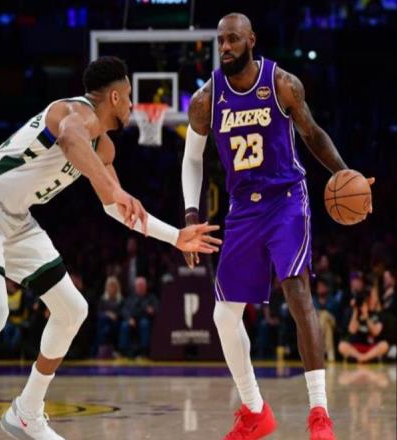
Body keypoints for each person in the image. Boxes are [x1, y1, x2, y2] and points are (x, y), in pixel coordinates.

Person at [0, 56, 221, 440]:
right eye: (129, 97)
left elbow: (117, 207)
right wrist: (114, 188)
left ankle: (26, 412)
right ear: (114, 97)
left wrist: (175, 236)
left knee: (72, 310)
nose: (133, 105)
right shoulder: (71, 113)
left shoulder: (104, 148)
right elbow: (69, 139)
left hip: (16, 219)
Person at [180, 12, 375, 440]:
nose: (225, 47)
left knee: (296, 290)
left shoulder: (282, 83)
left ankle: (319, 413)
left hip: (287, 199)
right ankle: (255, 411)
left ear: (251, 39)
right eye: (220, 40)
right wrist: (192, 214)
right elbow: (192, 159)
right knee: (223, 315)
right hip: (242, 209)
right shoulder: (206, 99)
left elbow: (312, 133)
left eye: (233, 39)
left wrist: (346, 173)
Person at [338, 290, 389, 363]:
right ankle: (361, 357)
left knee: (384, 345)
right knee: (342, 345)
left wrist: (366, 317)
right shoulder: (353, 313)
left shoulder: (377, 314)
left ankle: (364, 358)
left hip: (371, 347)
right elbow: (352, 330)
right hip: (356, 347)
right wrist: (355, 310)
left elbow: (376, 332)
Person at [118, 276, 158, 358]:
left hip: (145, 319)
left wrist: (152, 311)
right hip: (132, 320)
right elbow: (124, 310)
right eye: (139, 286)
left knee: (144, 323)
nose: (140, 287)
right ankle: (123, 351)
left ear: (146, 287)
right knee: (124, 325)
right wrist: (129, 318)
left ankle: (144, 351)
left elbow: (156, 309)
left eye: (142, 286)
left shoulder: (151, 298)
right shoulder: (130, 298)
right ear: (135, 287)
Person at [95, 275, 123, 358]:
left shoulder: (120, 300)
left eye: (113, 286)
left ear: (117, 287)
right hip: (104, 322)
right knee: (104, 323)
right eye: (110, 286)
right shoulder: (103, 299)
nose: (111, 288)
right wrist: (108, 314)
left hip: (116, 322)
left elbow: (122, 312)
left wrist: (114, 315)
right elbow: (99, 312)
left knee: (107, 326)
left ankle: (105, 350)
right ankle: (104, 350)